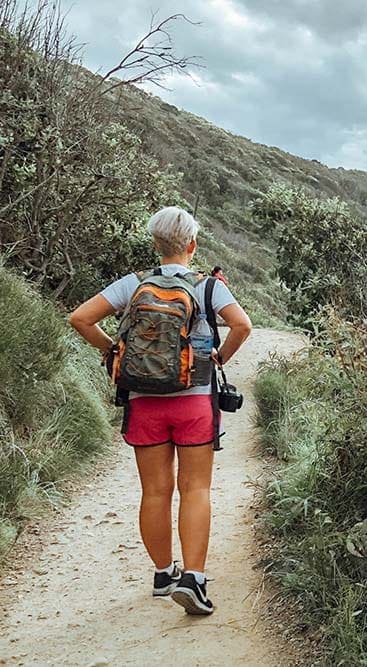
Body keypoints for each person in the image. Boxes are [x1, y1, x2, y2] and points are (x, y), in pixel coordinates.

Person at [69, 206, 252, 616]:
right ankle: (194, 579)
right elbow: (242, 325)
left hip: (143, 402)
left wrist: (113, 351)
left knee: (154, 491)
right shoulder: (208, 288)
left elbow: (80, 318)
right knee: (196, 488)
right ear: (192, 245)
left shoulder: (133, 284)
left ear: (156, 244)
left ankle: (162, 574)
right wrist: (219, 358)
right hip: (194, 402)